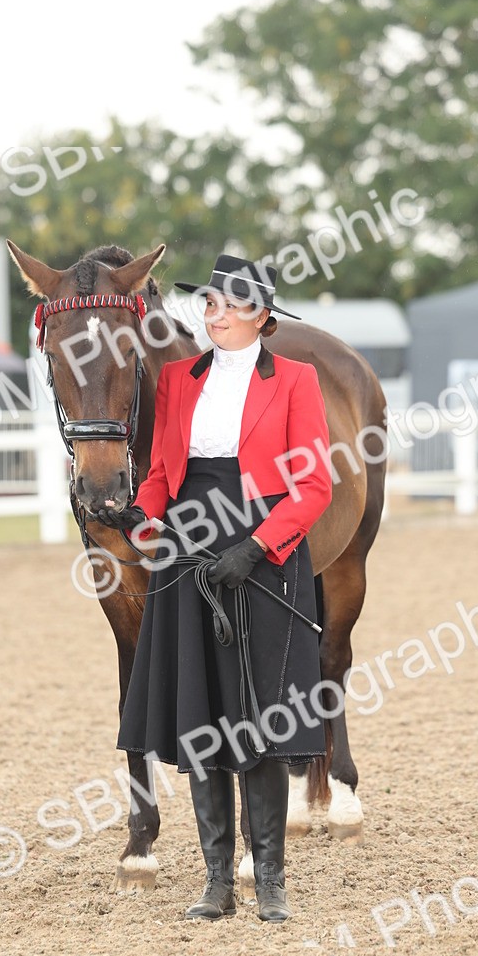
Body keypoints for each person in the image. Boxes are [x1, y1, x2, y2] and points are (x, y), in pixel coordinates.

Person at [107, 254, 332, 922]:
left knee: (258, 718)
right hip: (187, 547)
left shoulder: (296, 379)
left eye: (229, 305)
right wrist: (143, 518)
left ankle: (270, 881)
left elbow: (315, 484)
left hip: (263, 545)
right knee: (201, 716)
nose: (214, 315)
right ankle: (215, 883)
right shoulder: (177, 379)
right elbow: (161, 472)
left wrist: (258, 547)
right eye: (208, 305)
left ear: (262, 316)